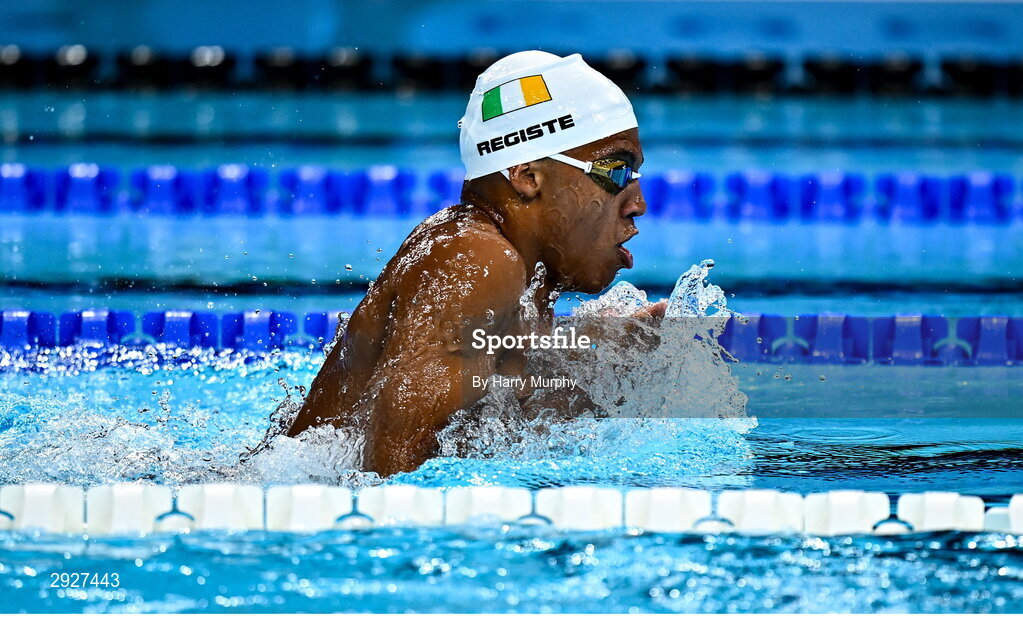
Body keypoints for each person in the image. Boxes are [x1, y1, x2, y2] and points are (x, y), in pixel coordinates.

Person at [287, 51, 664, 476]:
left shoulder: (507, 275)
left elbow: (498, 396)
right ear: (527, 177)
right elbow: (387, 474)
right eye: (616, 171)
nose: (638, 203)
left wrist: (605, 350)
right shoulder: (479, 260)